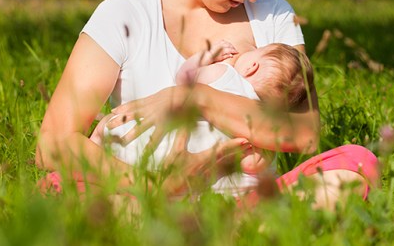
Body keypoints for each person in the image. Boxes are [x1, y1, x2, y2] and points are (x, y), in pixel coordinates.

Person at [36, 0, 379, 209]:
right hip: (146, 195)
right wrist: (153, 184)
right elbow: (53, 143)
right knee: (60, 185)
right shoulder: (126, 13)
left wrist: (196, 99)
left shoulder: (275, 15)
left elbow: (303, 134)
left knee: (356, 164)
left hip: (245, 201)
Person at [91, 40, 314, 196]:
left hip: (159, 147)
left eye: (258, 49)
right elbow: (252, 164)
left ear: (252, 66)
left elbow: (184, 79)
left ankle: (94, 144)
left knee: (110, 128)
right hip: (195, 172)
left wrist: (206, 57)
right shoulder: (264, 121)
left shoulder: (225, 74)